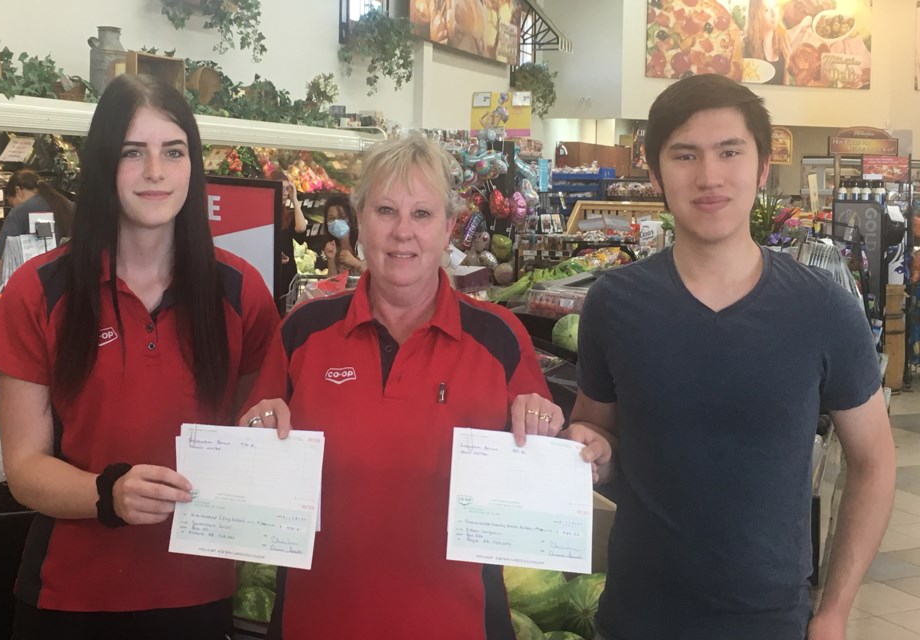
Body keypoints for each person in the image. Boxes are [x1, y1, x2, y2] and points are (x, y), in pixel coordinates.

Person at [568, 74, 895, 640]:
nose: (709, 176)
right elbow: (597, 432)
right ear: (655, 174)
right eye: (685, 155)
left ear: (763, 168)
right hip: (634, 620)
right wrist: (589, 449)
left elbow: (874, 461)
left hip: (770, 624)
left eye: (729, 152)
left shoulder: (822, 308)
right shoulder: (614, 303)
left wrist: (835, 610)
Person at [240, 134, 580, 639]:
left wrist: (546, 427)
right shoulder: (303, 331)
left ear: (448, 229)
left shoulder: (500, 339)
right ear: (358, 223)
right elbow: (251, 457)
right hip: (316, 621)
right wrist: (252, 434)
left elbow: (536, 482)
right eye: (385, 210)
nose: (403, 232)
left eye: (421, 214)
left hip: (459, 625)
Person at [0, 74, 280, 639]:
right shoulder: (38, 291)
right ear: (102, 164)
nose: (155, 173)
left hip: (199, 594)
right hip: (69, 600)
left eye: (173, 151)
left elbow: (259, 435)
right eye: (132, 153)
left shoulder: (240, 292)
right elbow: (23, 469)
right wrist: (109, 493)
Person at [0, 169, 74, 288]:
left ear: (18, 190)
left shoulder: (21, 212)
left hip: (37, 293)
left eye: (12, 203)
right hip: (71, 291)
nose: (13, 207)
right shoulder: (70, 206)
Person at [277, 177, 308, 313]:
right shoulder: (263, 214)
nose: (284, 193)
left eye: (287, 189)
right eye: (281, 188)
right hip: (273, 274)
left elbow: (301, 228)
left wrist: (294, 199)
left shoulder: (287, 215)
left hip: (288, 275)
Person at [745, 0, 792, 85]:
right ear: (756, 15)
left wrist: (788, 62)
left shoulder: (783, 42)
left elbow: (785, 87)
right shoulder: (746, 46)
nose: (774, 14)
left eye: (775, 6)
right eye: (766, 10)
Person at [320, 194, 365, 275]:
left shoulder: (363, 242)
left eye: (341, 217)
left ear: (350, 217)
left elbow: (376, 273)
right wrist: (331, 260)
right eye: (331, 219)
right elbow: (333, 281)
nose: (336, 222)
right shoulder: (332, 246)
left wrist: (355, 263)